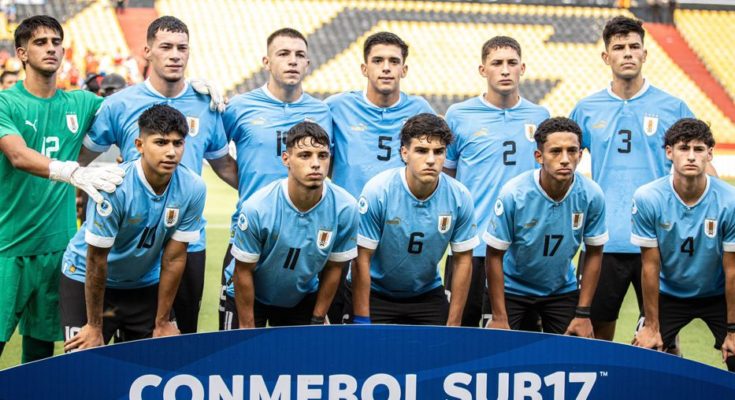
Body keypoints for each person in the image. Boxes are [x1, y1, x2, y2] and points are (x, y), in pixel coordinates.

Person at [79, 16, 235, 334]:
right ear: (147, 51)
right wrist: (76, 189)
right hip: (135, 241)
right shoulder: (120, 104)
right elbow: (79, 158)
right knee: (134, 337)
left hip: (188, 240)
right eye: (166, 47)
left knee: (182, 338)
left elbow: (225, 167)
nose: (175, 54)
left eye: (182, 48)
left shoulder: (206, 104)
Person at [0, 15, 124, 363]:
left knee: (41, 349)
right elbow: (18, 155)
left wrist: (187, 89)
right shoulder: (5, 103)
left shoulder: (80, 103)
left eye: (56, 42)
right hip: (9, 247)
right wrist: (70, 171)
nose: (51, 48)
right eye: (41, 43)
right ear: (22, 53)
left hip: (60, 249)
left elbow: (131, 112)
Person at [570, 16, 698, 342]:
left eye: (633, 46)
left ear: (645, 53)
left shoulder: (673, 107)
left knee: (664, 338)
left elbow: (697, 165)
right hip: (603, 240)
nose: (627, 53)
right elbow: (564, 165)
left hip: (659, 240)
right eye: (619, 47)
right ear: (606, 56)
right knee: (597, 338)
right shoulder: (586, 109)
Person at [61, 104, 206, 350]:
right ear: (139, 145)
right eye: (161, 143)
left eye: (177, 143)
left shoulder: (193, 187)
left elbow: (174, 258)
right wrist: (95, 326)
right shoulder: (114, 187)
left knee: (151, 364)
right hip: (87, 277)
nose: (171, 152)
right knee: (83, 368)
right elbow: (96, 260)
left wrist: (162, 322)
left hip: (142, 282)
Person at [219, 27, 331, 328]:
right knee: (236, 349)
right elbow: (214, 152)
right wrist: (248, 187)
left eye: (300, 55)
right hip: (250, 230)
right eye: (283, 54)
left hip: (304, 238)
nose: (292, 61)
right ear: (266, 62)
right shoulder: (239, 107)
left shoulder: (322, 111)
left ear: (308, 64)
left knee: (295, 355)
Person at [327, 32, 434, 323]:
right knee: (343, 333)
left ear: (404, 69)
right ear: (364, 68)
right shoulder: (336, 108)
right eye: (377, 60)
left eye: (393, 61)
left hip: (401, 231)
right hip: (348, 235)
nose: (386, 67)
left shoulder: (421, 110)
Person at [443, 36, 549, 327]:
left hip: (521, 248)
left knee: (519, 338)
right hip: (470, 246)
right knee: (459, 333)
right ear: (482, 70)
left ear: (522, 68)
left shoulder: (540, 116)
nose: (505, 70)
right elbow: (447, 179)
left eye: (511, 63)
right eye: (497, 63)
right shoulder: (459, 115)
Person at [221, 122, 358, 329]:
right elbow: (243, 271)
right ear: (286, 159)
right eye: (305, 155)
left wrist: (317, 319)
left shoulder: (345, 207)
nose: (315, 163)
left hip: (300, 297)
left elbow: (334, 268)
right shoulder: (258, 207)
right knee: (244, 360)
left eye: (322, 155)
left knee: (299, 361)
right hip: (250, 297)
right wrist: (247, 328)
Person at [346, 113, 477, 326]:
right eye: (422, 151)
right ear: (404, 153)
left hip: (426, 293)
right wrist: (362, 318)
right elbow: (361, 258)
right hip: (376, 291)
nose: (431, 160)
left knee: (441, 356)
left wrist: (454, 323)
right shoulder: (379, 191)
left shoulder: (460, 196)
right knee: (365, 356)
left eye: (439, 152)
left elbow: (463, 260)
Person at [484, 117, 607, 336]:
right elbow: (494, 255)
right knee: (501, 360)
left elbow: (595, 252)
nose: (565, 159)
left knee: (571, 359)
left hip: (561, 289)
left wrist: (583, 313)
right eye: (556, 152)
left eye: (572, 151)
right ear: (539, 156)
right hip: (512, 289)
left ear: (580, 154)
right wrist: (499, 317)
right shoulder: (514, 193)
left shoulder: (591, 194)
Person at [631, 118, 735, 372]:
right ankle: (668, 343)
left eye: (698, 149)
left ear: (710, 154)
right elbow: (650, 265)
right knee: (643, 356)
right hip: (670, 294)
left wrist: (733, 330)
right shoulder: (648, 197)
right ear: (669, 152)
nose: (691, 156)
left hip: (717, 294)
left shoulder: (729, 200)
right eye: (683, 148)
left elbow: (732, 270)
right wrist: (652, 326)